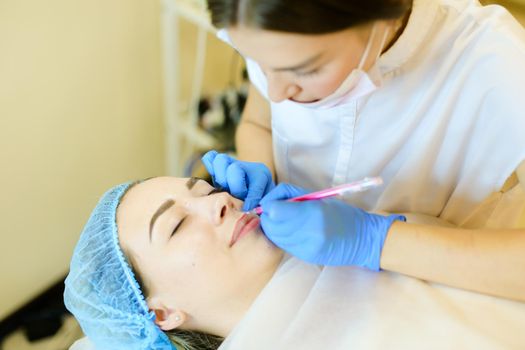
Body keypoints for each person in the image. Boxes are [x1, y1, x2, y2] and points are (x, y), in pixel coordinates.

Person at [201, 0, 525, 300]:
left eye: (305, 70)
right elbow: (259, 123)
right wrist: (259, 171)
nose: (275, 92)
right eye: (260, 64)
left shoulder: (497, 62)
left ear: (384, 15)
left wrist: (373, 240)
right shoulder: (267, 23)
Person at [64, 177, 525, 350]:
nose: (220, 202)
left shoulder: (336, 241)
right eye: (176, 226)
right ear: (161, 314)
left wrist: (380, 236)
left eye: (202, 190)